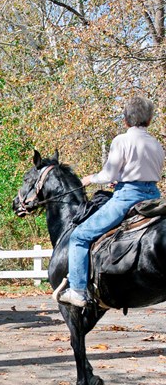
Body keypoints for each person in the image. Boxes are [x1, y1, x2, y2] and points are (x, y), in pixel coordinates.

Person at [59, 96, 165, 308]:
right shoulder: (156, 144)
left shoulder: (121, 141)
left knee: (80, 236)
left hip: (128, 197)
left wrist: (91, 179)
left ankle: (78, 290)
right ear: (150, 120)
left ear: (126, 119)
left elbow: (108, 173)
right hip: (153, 195)